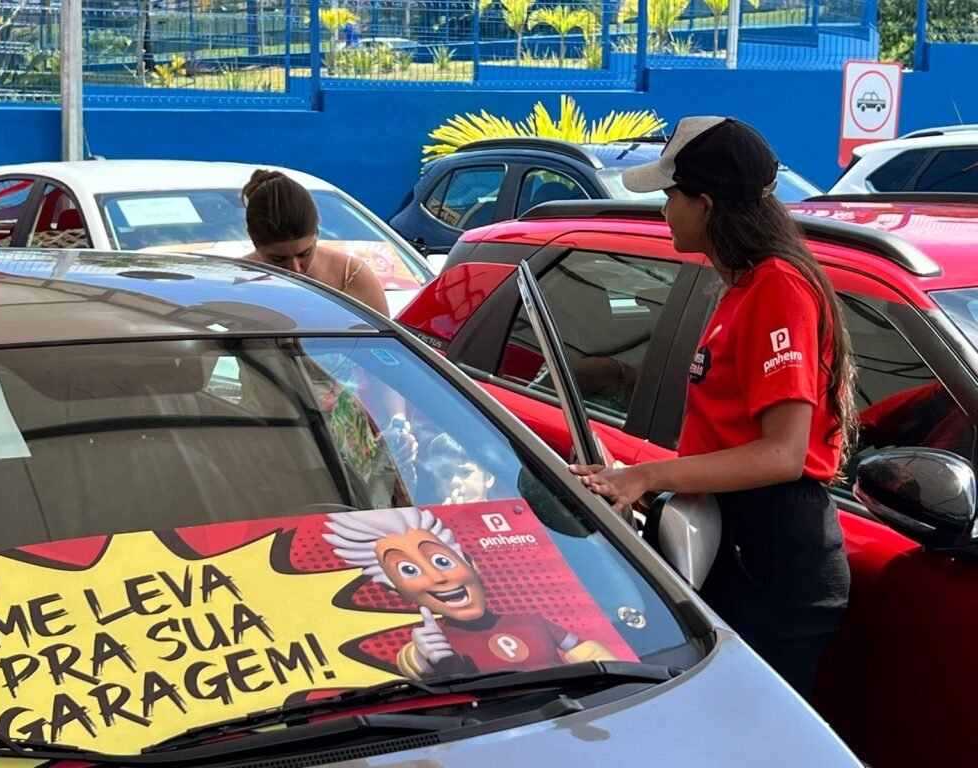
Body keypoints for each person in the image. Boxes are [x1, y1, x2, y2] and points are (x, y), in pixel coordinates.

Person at [570, 116, 858, 698]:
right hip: (737, 539)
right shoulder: (747, 285)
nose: (664, 210)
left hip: (772, 555)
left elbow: (782, 454)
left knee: (750, 727)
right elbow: (727, 427)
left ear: (705, 204)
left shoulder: (778, 287)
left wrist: (646, 475)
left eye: (670, 196)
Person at [322, 508, 616, 680]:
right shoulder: (436, 644)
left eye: (442, 561)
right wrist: (428, 663)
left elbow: (590, 654)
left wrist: (612, 672)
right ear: (398, 591)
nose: (438, 577)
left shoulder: (532, 619)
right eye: (409, 571)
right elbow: (415, 663)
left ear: (471, 563)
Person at [242, 169, 389, 316]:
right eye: (278, 259)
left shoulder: (352, 276)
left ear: (317, 230)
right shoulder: (237, 279)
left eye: (304, 253)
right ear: (253, 240)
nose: (295, 268)